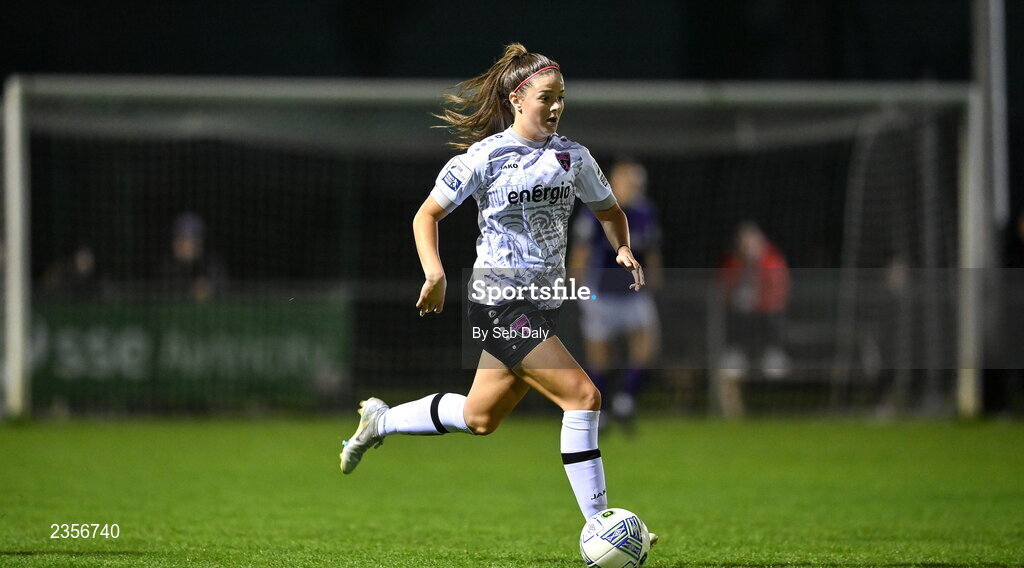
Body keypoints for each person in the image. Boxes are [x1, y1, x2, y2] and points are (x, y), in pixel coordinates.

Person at [339, 44, 657, 542]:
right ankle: (600, 526)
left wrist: (623, 249)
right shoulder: (485, 157)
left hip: (540, 304)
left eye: (561, 98)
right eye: (545, 97)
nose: (555, 107)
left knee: (478, 416)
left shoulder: (574, 158)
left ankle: (382, 421)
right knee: (584, 395)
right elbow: (427, 214)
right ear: (517, 98)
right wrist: (435, 273)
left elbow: (611, 212)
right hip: (497, 301)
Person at [568, 158, 662, 433]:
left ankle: (625, 400)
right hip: (601, 294)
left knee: (647, 344)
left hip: (633, 293)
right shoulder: (598, 211)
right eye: (625, 182)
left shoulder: (646, 213)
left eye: (635, 183)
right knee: (600, 357)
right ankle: (603, 411)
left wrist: (653, 283)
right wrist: (579, 290)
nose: (631, 187)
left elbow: (652, 252)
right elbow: (581, 254)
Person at [714, 221, 790, 417]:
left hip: (768, 334)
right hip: (741, 337)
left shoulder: (772, 262)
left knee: (774, 369)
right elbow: (723, 292)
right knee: (727, 373)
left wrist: (757, 298)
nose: (747, 248)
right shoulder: (733, 263)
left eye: (751, 243)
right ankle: (735, 419)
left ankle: (772, 353)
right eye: (743, 243)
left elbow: (778, 296)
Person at [157, 212, 227, 302]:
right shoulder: (166, 266)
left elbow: (224, 286)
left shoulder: (211, 264)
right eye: (178, 238)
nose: (181, 244)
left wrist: (210, 288)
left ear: (199, 243)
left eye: (187, 239)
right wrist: (189, 290)